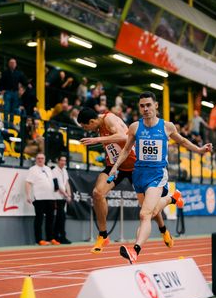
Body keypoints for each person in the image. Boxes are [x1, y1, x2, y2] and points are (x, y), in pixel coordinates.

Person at [108, 91, 212, 264]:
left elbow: (184, 142)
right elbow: (126, 149)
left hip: (157, 174)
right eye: (142, 106)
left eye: (149, 105)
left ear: (156, 106)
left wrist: (200, 150)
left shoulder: (167, 126)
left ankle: (135, 250)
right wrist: (115, 167)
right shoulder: (134, 127)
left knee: (145, 214)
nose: (146, 109)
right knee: (153, 211)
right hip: (139, 174)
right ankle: (173, 198)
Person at [77, 106, 180, 254]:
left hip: (135, 166)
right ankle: (103, 235)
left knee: (148, 207)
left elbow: (125, 137)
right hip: (115, 167)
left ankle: (163, 230)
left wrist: (98, 139)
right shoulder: (98, 127)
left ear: (93, 121)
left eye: (86, 126)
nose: (87, 130)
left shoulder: (109, 119)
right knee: (97, 193)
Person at [25, 153, 59, 245]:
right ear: (36, 159)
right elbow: (28, 183)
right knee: (39, 219)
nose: (40, 160)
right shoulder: (32, 169)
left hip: (50, 197)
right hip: (39, 198)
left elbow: (53, 182)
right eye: (38, 158)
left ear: (45, 159)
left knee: (50, 219)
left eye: (42, 158)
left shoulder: (48, 169)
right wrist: (28, 195)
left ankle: (50, 238)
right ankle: (39, 240)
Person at [51, 155, 72, 244]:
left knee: (61, 218)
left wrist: (69, 194)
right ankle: (60, 237)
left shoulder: (64, 170)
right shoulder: (54, 171)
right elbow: (57, 186)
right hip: (57, 197)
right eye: (62, 160)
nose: (63, 162)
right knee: (60, 217)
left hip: (64, 197)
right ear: (58, 161)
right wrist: (66, 195)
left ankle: (58, 236)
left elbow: (66, 183)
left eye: (65, 161)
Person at [0, 58, 26, 127]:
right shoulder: (5, 72)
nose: (12, 64)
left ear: (16, 64)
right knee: (6, 108)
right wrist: (2, 90)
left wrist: (24, 88)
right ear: (8, 64)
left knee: (13, 109)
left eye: (13, 63)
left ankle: (11, 124)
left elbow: (24, 81)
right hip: (7, 92)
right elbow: (1, 82)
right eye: (11, 63)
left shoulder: (19, 73)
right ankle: (5, 124)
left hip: (15, 93)